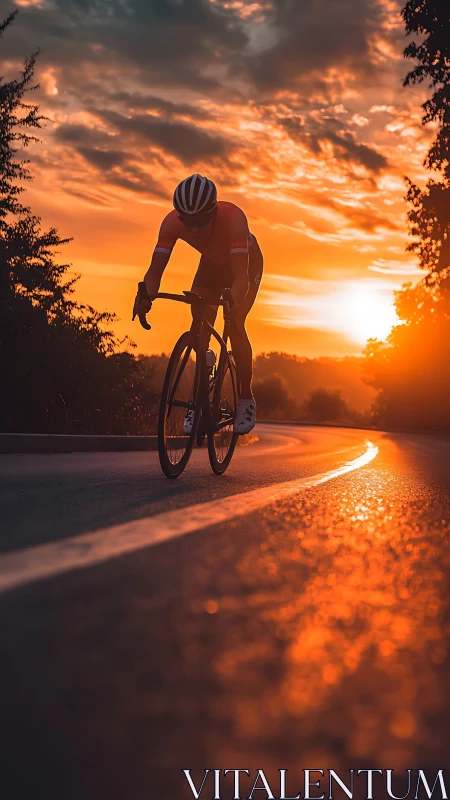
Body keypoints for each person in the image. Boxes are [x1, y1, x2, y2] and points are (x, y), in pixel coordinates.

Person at [133, 173, 263, 434]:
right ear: (179, 216)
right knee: (199, 322)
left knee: (235, 323)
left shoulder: (234, 219)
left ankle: (246, 398)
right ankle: (200, 394)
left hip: (244, 266)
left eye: (200, 222)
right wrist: (146, 295)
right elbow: (154, 272)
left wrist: (233, 303)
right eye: (187, 222)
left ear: (213, 213)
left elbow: (240, 280)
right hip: (211, 265)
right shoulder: (171, 224)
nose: (193, 230)